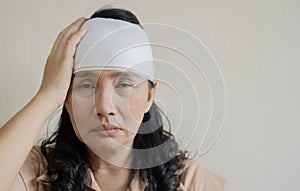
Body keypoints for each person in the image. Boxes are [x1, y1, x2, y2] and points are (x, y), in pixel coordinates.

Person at [0, 8, 225, 191]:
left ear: (149, 96)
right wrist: (47, 94)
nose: (104, 107)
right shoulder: (34, 172)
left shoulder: (191, 182)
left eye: (124, 84)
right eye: (86, 85)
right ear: (66, 97)